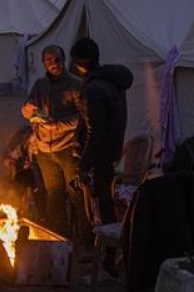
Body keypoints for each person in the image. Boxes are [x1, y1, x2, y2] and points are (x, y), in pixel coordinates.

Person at [70, 37, 134, 271]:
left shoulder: (94, 89)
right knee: (104, 205)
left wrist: (84, 163)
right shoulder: (112, 82)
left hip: (98, 158)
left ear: (77, 63)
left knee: (99, 209)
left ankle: (107, 260)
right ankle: (108, 256)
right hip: (109, 153)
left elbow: (95, 131)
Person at [22, 45, 86, 235]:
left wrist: (57, 125)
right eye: (49, 60)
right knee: (54, 195)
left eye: (57, 59)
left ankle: (85, 236)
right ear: (44, 63)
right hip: (44, 150)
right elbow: (27, 110)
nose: (54, 64)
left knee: (76, 193)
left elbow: (82, 117)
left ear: (64, 59)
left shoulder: (75, 84)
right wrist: (27, 109)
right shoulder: (40, 84)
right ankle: (59, 236)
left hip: (67, 148)